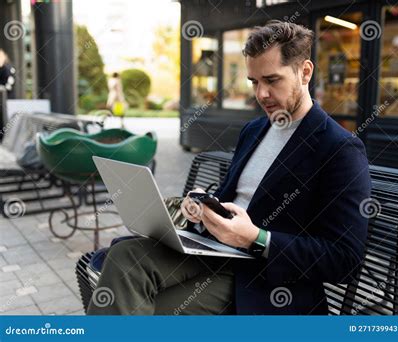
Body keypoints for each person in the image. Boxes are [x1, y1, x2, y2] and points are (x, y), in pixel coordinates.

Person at [87, 20, 371, 315]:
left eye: (272, 80)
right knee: (123, 257)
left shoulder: (339, 150)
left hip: (266, 279)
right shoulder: (254, 130)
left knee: (154, 309)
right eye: (254, 82)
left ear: (305, 72)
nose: (260, 94)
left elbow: (344, 260)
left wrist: (255, 238)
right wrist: (203, 208)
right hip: (212, 250)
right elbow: (233, 201)